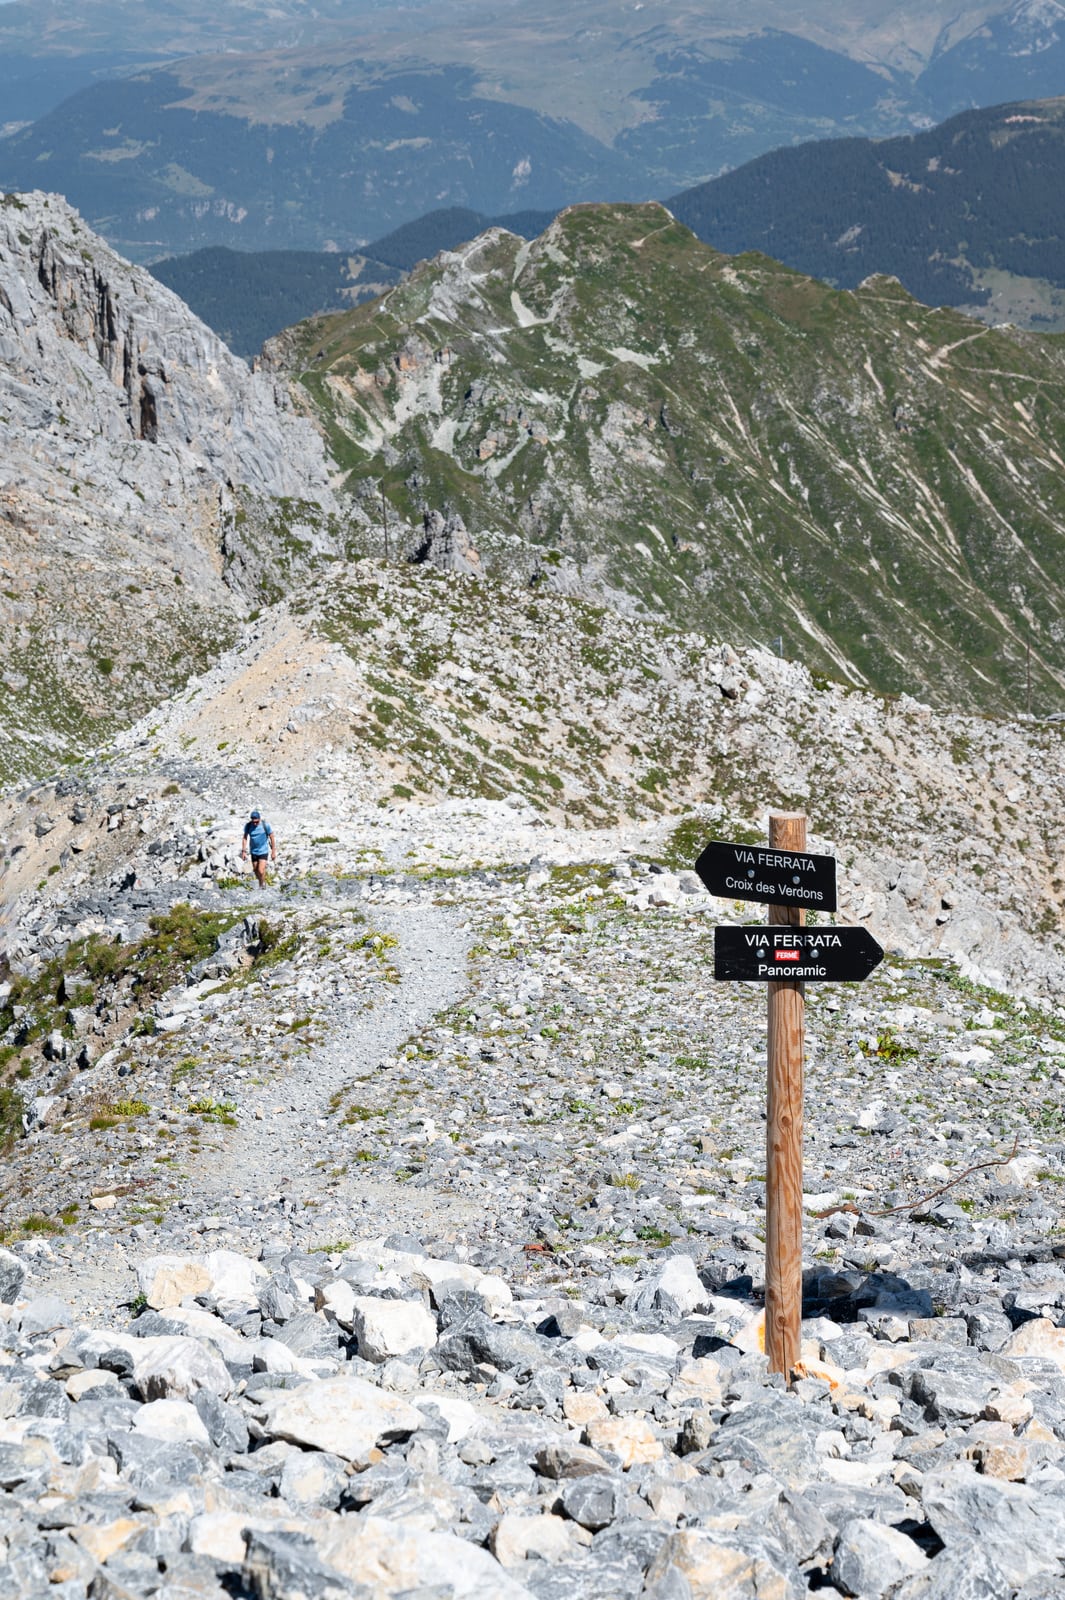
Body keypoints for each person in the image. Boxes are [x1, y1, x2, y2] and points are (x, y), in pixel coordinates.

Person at [241, 808, 277, 888]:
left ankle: (262, 884)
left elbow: (271, 836)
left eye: (257, 822)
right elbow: (245, 838)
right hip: (253, 851)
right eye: (253, 822)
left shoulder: (265, 825)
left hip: (263, 850)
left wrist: (273, 851)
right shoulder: (248, 826)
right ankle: (261, 882)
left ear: (259, 819)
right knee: (256, 870)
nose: (255, 824)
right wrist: (243, 851)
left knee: (261, 870)